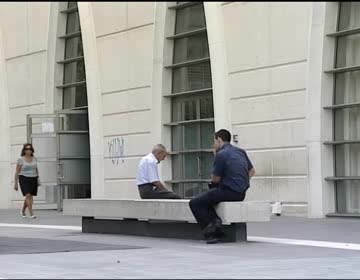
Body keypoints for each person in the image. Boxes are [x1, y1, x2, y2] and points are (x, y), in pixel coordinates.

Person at [189, 129, 255, 244]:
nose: (213, 144)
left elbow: (215, 179)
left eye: (214, 141)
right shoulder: (241, 152)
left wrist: (216, 157)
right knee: (208, 199)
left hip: (228, 191)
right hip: (241, 193)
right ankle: (216, 226)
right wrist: (243, 182)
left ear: (219, 140)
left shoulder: (221, 154)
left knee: (195, 202)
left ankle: (211, 232)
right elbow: (252, 171)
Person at [14, 143, 40, 219]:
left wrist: (38, 179)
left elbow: (36, 169)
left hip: (33, 178)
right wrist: (15, 183)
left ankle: (22, 210)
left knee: (30, 196)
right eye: (26, 149)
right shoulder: (20, 159)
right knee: (27, 195)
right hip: (23, 178)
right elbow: (17, 171)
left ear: (32, 150)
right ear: (24, 150)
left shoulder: (34, 158)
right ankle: (31, 213)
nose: (28, 150)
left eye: (30, 149)